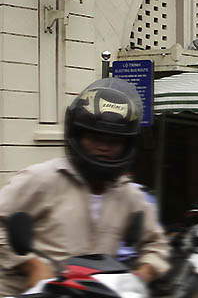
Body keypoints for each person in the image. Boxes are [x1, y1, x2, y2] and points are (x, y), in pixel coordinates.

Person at [0, 78, 170, 296]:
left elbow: (156, 244)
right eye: (94, 138)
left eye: (113, 141)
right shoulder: (41, 179)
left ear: (126, 145)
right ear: (77, 136)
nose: (103, 147)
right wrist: (30, 264)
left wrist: (141, 275)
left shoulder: (129, 195)